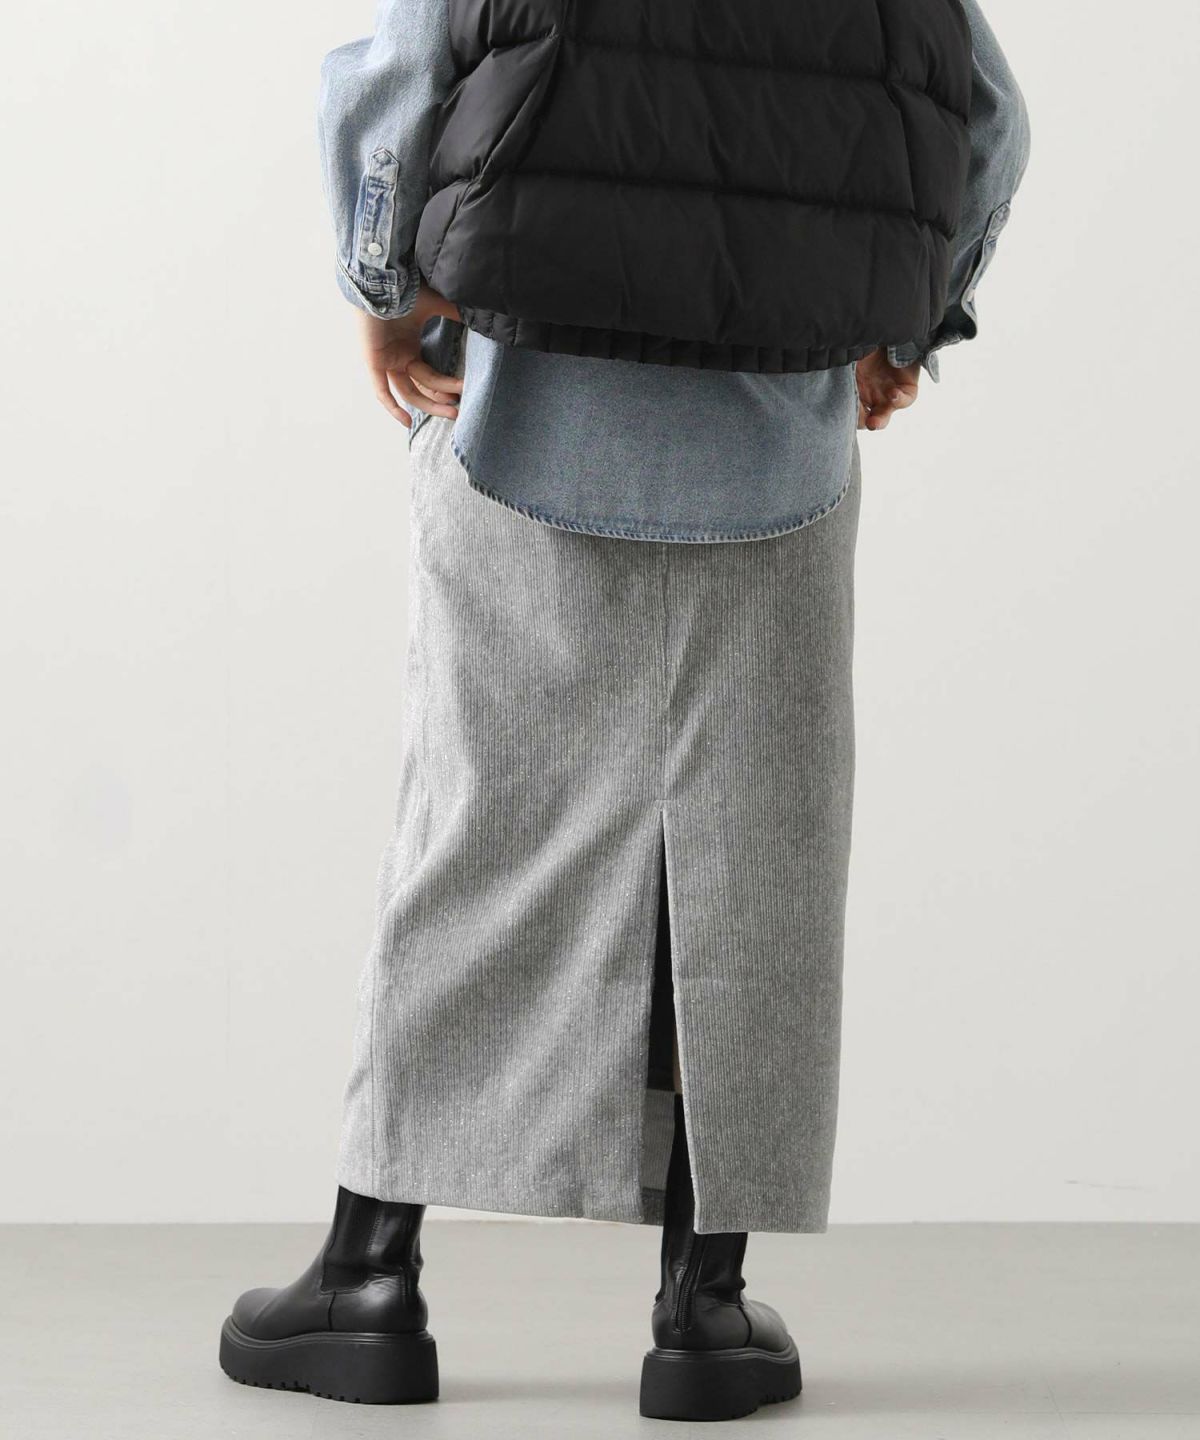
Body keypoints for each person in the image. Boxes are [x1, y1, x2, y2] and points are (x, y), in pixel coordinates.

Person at [219, 0, 1029, 1422]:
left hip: (529, 420)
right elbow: (993, 123)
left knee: (475, 839)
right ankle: (704, 1309)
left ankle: (369, 1278)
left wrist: (380, 288)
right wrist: (908, 318)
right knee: (752, 868)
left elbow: (396, 79)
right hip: (780, 454)